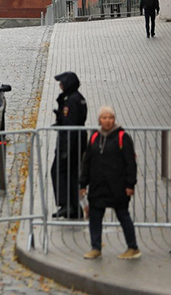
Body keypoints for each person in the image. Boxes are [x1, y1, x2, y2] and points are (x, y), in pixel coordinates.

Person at [79, 106, 141, 260]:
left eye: (110, 117)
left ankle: (132, 247)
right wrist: (83, 184)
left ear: (114, 119)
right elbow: (86, 162)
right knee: (95, 217)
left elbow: (130, 163)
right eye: (104, 117)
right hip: (98, 186)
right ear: (99, 120)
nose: (107, 121)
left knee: (123, 216)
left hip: (117, 186)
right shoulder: (94, 137)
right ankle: (95, 247)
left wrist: (130, 185)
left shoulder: (122, 137)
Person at [51, 72, 88, 219]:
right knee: (71, 175)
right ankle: (73, 207)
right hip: (75, 141)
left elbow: (71, 125)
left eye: (62, 83)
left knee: (59, 171)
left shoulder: (71, 100)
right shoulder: (76, 98)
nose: (60, 85)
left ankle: (67, 205)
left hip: (70, 142)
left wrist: (66, 149)